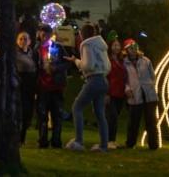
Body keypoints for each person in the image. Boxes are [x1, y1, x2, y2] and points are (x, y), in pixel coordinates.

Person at [65, 24, 111, 152]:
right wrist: (76, 60)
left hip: (93, 80)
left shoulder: (87, 45)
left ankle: (79, 141)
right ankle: (103, 145)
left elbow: (88, 65)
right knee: (100, 113)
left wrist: (78, 63)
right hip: (103, 79)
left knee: (77, 107)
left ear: (82, 34)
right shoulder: (101, 45)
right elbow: (106, 65)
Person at [35, 24, 68, 149]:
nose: (44, 35)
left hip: (56, 86)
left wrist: (56, 68)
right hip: (42, 87)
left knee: (57, 116)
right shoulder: (37, 49)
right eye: (42, 33)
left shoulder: (58, 47)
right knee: (42, 116)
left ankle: (56, 141)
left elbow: (67, 63)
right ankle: (42, 141)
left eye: (47, 33)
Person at [123, 38, 159, 150]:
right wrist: (127, 88)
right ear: (126, 50)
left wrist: (150, 85)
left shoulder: (146, 60)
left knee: (151, 121)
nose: (133, 50)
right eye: (130, 48)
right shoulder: (124, 63)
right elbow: (124, 79)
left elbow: (153, 76)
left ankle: (153, 144)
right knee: (134, 121)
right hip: (135, 94)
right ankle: (130, 143)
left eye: (134, 47)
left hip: (149, 95)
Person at [15, 31, 37, 144]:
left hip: (30, 84)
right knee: (19, 110)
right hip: (20, 84)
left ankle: (22, 136)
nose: (23, 41)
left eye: (25, 39)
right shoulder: (15, 54)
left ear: (29, 41)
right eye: (21, 39)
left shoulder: (32, 53)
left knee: (27, 111)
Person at [106, 37, 127, 148]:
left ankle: (112, 140)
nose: (116, 47)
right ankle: (109, 140)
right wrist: (106, 93)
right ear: (110, 47)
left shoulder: (122, 60)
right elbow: (106, 76)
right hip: (111, 92)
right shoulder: (107, 60)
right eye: (114, 45)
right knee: (112, 116)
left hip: (120, 92)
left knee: (115, 116)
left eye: (118, 45)